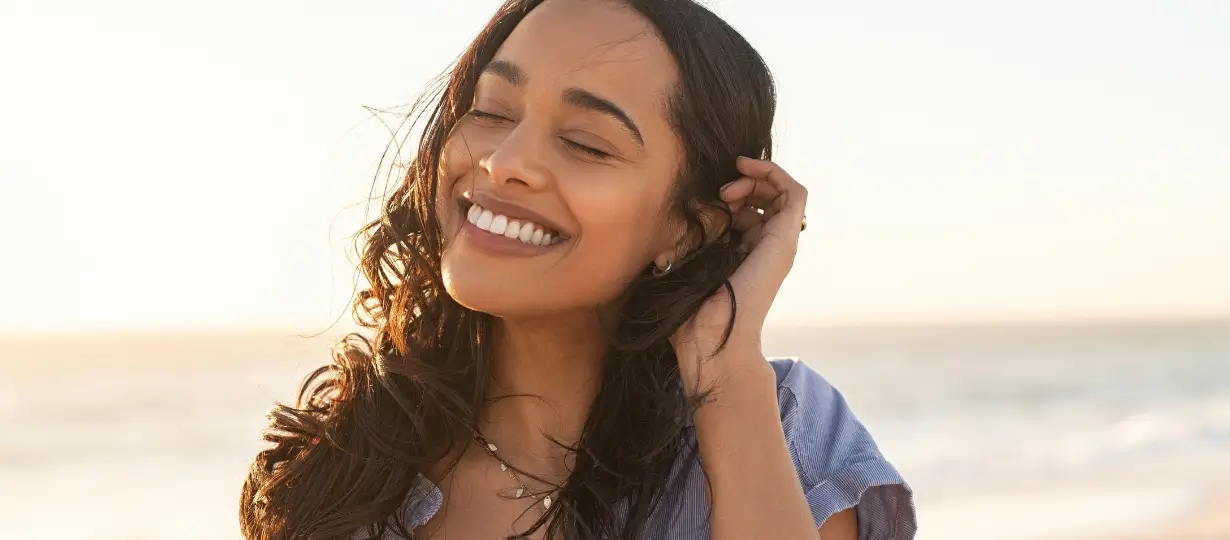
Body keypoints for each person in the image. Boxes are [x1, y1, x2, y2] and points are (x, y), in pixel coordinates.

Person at [239, 0, 915, 538]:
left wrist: (726, 366)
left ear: (687, 227)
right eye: (492, 111)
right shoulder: (338, 472)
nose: (505, 162)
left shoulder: (783, 423)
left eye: (586, 144)